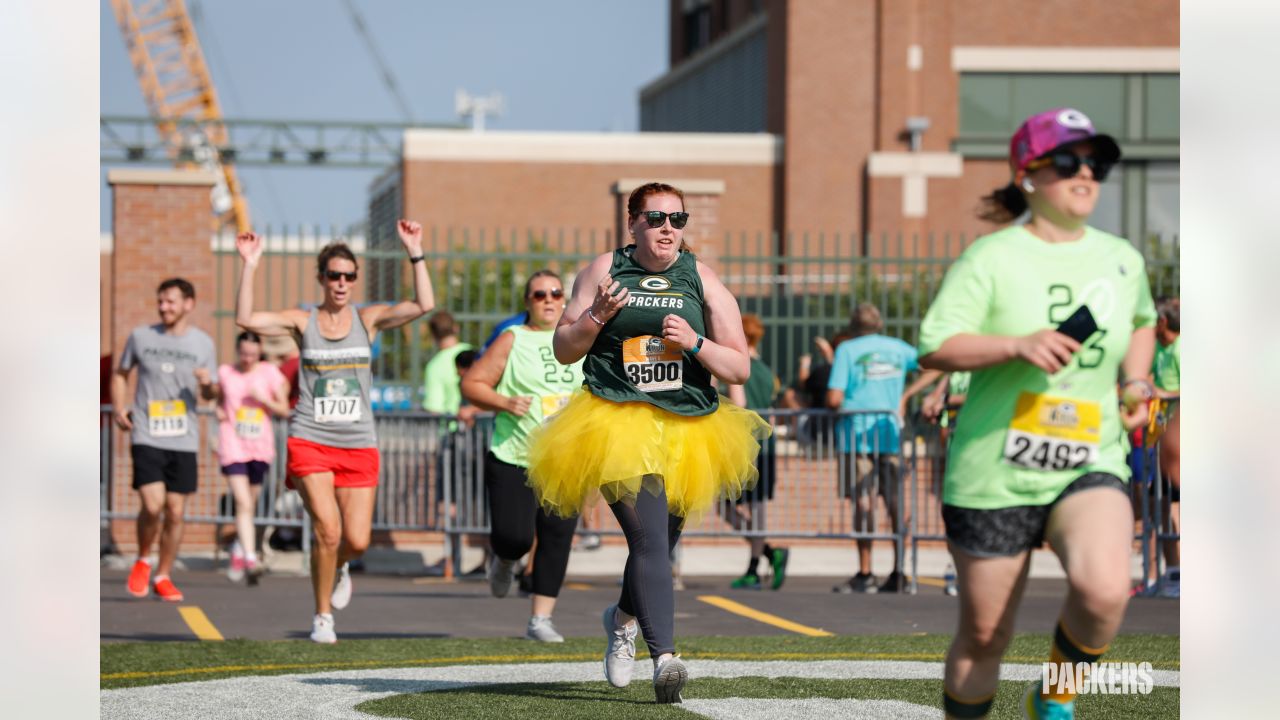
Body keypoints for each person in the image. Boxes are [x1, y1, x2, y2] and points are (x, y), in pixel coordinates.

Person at [919, 107, 1155, 720]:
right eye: (1070, 162)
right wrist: (1016, 345)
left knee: (1104, 589)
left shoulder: (1122, 258)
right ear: (1028, 175)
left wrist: (1133, 381)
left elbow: (1142, 322)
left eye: (1096, 163)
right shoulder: (992, 258)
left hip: (1090, 459)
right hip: (992, 471)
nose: (1087, 175)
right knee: (984, 637)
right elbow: (936, 343)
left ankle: (1053, 700)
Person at [524, 182, 770, 704]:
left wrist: (696, 342)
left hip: (690, 427)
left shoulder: (700, 277)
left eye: (677, 220)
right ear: (633, 221)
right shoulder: (602, 271)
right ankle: (665, 657)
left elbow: (738, 364)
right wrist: (596, 318)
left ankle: (621, 619)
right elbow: (565, 349)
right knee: (650, 541)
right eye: (656, 218)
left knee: (662, 542)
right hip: (617, 420)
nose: (667, 229)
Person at [233, 220, 435, 644]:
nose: (341, 283)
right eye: (334, 275)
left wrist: (415, 252)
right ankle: (322, 614)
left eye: (349, 276)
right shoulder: (301, 322)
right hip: (310, 439)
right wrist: (249, 265)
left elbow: (423, 304)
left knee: (356, 541)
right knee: (328, 529)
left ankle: (340, 565)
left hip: (359, 443)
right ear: (322, 279)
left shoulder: (369, 320)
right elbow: (245, 317)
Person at [460, 270, 584, 642]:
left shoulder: (583, 337)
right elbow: (472, 384)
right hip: (516, 454)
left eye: (555, 293)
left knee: (557, 536)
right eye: (538, 294)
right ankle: (505, 560)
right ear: (527, 302)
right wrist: (503, 401)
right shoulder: (512, 339)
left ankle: (540, 619)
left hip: (566, 459)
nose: (547, 299)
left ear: (565, 298)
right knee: (514, 536)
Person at [112, 278, 218, 602]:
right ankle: (144, 557)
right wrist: (118, 408)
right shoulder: (141, 337)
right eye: (161, 301)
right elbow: (121, 373)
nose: (163, 307)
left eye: (170, 301)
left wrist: (208, 383)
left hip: (183, 438)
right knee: (153, 504)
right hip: (147, 432)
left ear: (189, 303)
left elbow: (213, 393)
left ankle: (163, 574)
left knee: (175, 511)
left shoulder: (203, 344)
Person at [826, 303, 922, 594]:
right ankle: (900, 570)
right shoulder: (899, 348)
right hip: (889, 434)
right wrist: (906, 396)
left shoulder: (847, 350)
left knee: (863, 504)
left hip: (857, 436)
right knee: (895, 504)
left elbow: (833, 398)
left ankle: (866, 572)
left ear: (853, 325)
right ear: (879, 323)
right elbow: (934, 364)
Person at [214, 331, 291, 584]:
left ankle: (238, 547)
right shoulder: (226, 372)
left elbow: (284, 408)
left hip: (259, 444)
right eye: (244, 353)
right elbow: (218, 399)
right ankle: (250, 557)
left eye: (253, 354)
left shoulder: (269, 372)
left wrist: (264, 399)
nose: (248, 359)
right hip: (233, 442)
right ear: (237, 351)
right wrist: (218, 409)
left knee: (251, 503)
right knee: (243, 502)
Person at [723, 313, 789, 591]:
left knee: (727, 506)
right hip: (767, 443)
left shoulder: (741, 368)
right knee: (756, 507)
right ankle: (767, 552)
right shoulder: (766, 371)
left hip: (747, 444)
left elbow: (740, 403)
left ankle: (756, 563)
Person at [1151, 296, 1180, 597]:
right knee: (1159, 506)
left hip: (1183, 443)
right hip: (1161, 439)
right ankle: (1172, 573)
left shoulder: (1183, 348)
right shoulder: (1158, 348)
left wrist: (1165, 392)